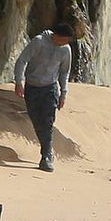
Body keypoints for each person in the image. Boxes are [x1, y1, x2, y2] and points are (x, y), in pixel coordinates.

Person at [14, 23, 74, 172]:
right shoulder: (39, 41)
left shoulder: (66, 50)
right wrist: (19, 81)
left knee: (47, 121)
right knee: (36, 119)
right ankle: (46, 149)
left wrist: (63, 93)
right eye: (65, 39)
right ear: (57, 35)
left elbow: (64, 72)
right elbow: (22, 60)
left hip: (50, 88)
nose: (67, 43)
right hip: (32, 87)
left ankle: (46, 156)